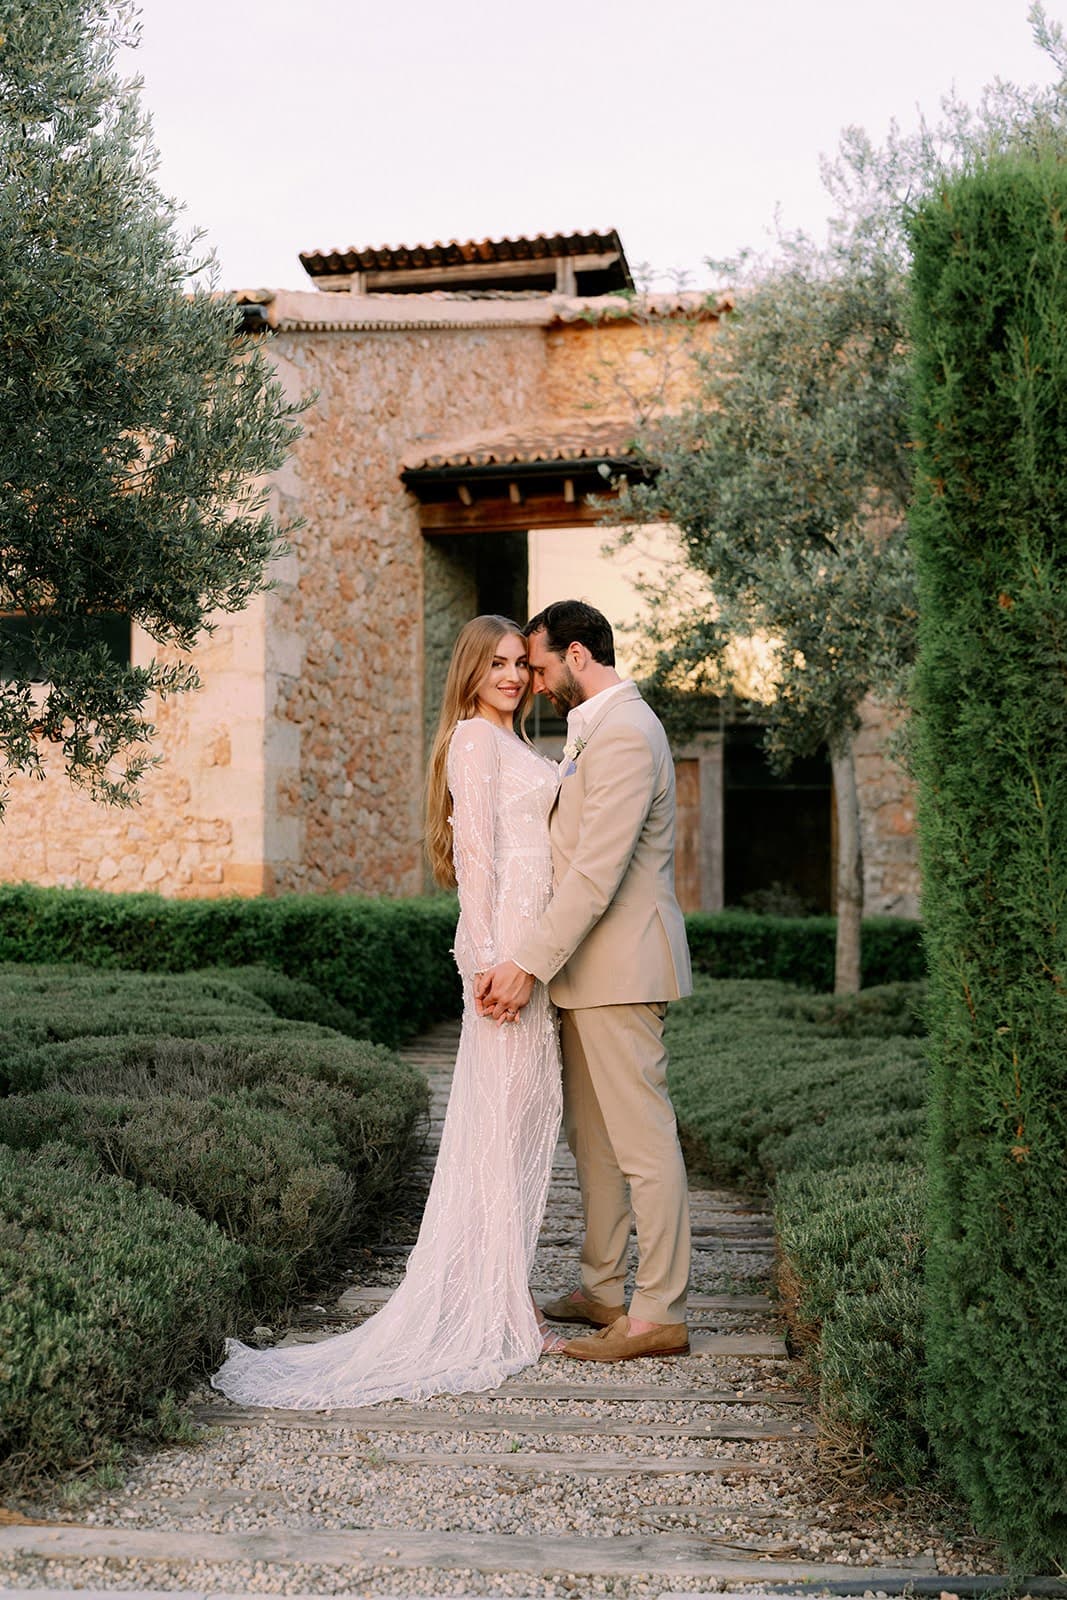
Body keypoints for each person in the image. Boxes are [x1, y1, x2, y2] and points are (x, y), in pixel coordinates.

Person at [212, 615, 565, 1408]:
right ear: (470, 672)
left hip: (536, 949)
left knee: (517, 1127)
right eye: (496, 664)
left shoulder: (514, 741)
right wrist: (485, 962)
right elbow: (475, 857)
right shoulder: (474, 742)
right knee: (501, 1125)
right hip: (507, 954)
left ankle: (505, 1294)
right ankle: (498, 1308)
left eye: (519, 664)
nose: (511, 675)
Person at [476, 599, 693, 1363]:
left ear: (574, 655)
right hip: (584, 971)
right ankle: (601, 1287)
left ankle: (657, 1311)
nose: (529, 682)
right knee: (593, 1142)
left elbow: (596, 873)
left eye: (534, 666)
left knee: (641, 1143)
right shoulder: (591, 730)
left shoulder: (629, 733)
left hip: (622, 966)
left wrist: (525, 961)